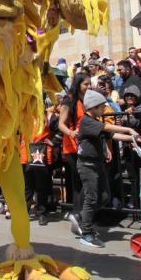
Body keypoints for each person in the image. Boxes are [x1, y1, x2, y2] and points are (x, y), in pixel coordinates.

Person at [76, 89, 141, 248]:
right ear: (92, 108)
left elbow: (112, 136)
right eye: (101, 107)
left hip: (98, 163)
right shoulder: (87, 121)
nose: (104, 110)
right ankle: (86, 233)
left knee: (104, 197)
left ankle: (82, 216)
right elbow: (109, 129)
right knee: (92, 198)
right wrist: (127, 129)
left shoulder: (96, 121)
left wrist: (135, 137)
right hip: (87, 165)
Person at [58, 72, 90, 236]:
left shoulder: (83, 100)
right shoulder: (69, 100)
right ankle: (78, 217)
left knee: (80, 184)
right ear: (78, 84)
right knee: (80, 183)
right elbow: (60, 124)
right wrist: (71, 134)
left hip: (83, 147)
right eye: (85, 84)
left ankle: (78, 217)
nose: (88, 87)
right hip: (72, 148)